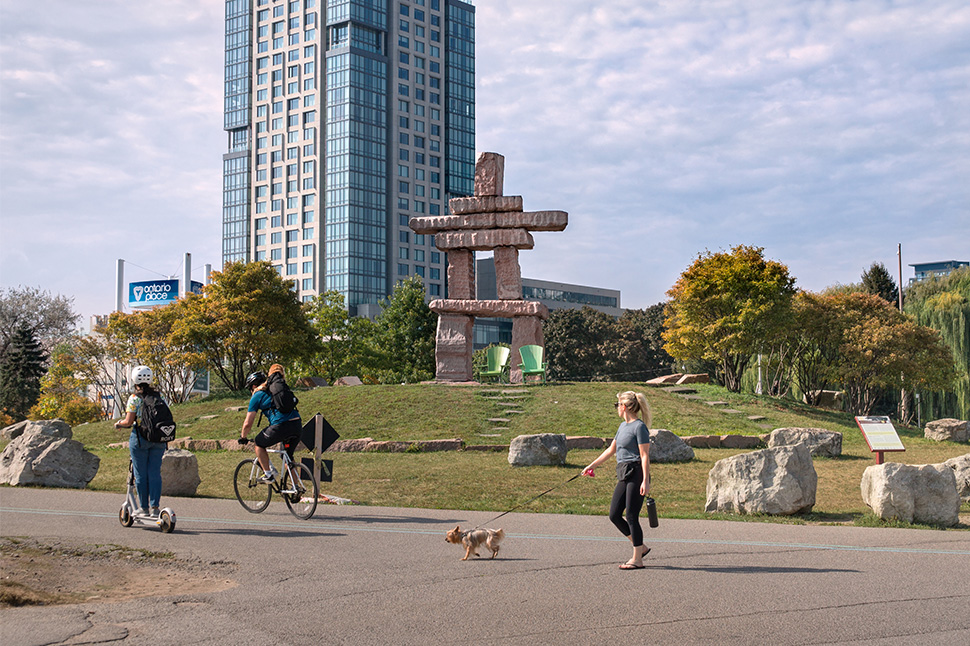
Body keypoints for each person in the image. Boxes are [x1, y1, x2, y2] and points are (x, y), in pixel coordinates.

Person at [582, 391, 653, 570]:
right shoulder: (622, 427)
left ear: (625, 407)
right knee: (614, 514)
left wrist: (645, 480)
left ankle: (637, 559)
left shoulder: (639, 427)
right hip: (623, 473)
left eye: (618, 405)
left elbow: (644, 456)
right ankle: (641, 547)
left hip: (636, 473)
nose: (617, 408)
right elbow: (610, 450)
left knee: (631, 516)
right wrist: (592, 465)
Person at [114, 365, 167, 517]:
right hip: (158, 439)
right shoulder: (160, 396)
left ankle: (143, 508)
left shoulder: (134, 398)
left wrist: (118, 424)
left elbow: (129, 421)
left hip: (140, 438)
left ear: (134, 380)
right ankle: (155, 507)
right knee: (155, 473)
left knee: (140, 474)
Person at [239, 364, 301, 482]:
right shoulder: (277, 389)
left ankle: (268, 474)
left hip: (281, 426)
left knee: (259, 443)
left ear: (253, 386)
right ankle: (296, 488)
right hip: (297, 424)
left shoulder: (257, 395)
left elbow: (248, 423)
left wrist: (243, 437)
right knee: (287, 456)